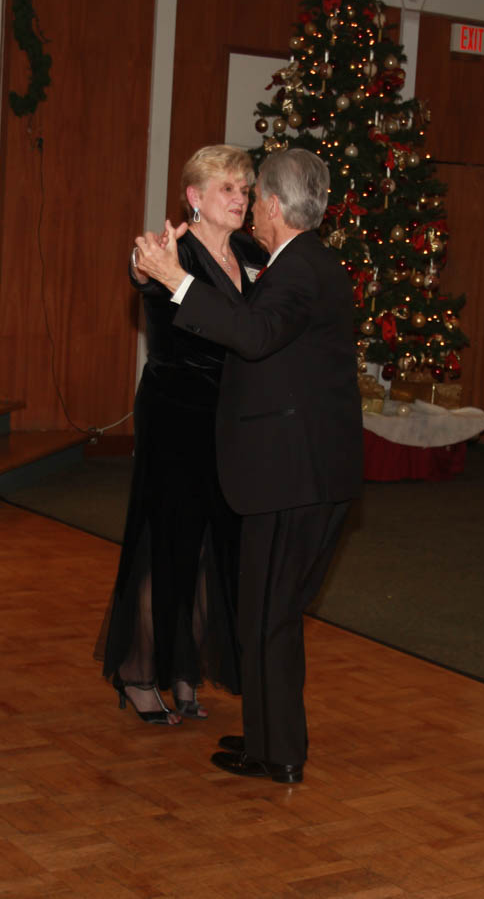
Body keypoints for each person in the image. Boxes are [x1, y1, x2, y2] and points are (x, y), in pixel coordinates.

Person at [133, 148, 363, 778]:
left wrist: (177, 280)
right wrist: (157, 269)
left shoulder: (297, 270)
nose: (249, 204)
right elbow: (254, 329)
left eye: (254, 194)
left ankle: (280, 754)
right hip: (293, 470)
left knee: (272, 617)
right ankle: (266, 741)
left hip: (296, 476)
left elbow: (253, 335)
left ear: (274, 206)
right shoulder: (305, 263)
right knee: (265, 614)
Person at [96, 144, 266, 725]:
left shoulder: (249, 250)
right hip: (176, 415)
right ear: (195, 197)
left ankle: (186, 669)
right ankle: (140, 673)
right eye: (228, 189)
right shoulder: (177, 249)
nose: (240, 199)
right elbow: (142, 271)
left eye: (245, 189)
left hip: (229, 420)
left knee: (210, 546)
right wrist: (145, 262)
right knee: (164, 540)